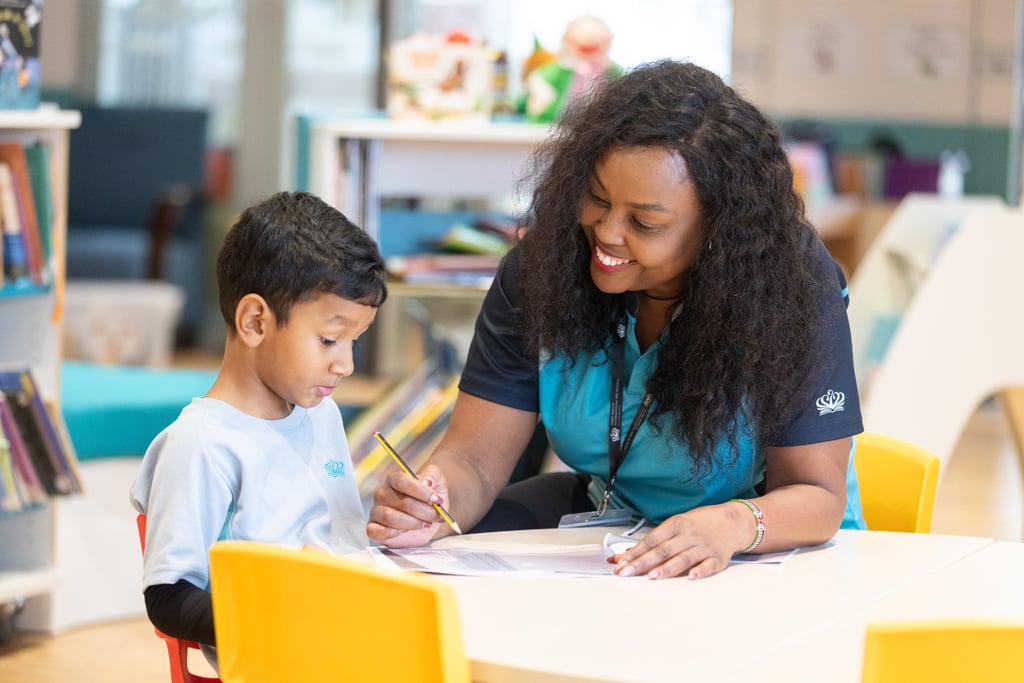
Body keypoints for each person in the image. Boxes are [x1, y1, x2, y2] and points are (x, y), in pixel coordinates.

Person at [368, 59, 866, 580]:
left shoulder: (790, 287)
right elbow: (471, 460)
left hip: (763, 542)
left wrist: (731, 525)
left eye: (645, 222)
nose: (606, 233)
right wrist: (431, 500)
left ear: (719, 230)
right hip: (613, 524)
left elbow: (816, 497)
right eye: (598, 199)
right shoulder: (543, 272)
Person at [131, 191, 387, 658]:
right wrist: (283, 611)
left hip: (353, 635)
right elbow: (167, 598)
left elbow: (336, 541)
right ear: (254, 322)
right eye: (329, 339)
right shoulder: (203, 442)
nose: (346, 365)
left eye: (355, 340)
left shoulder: (320, 413)